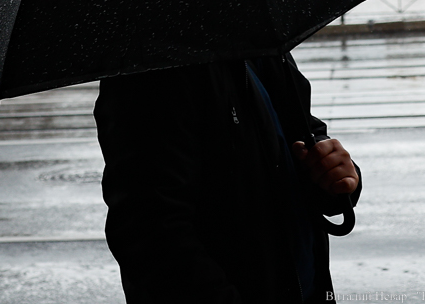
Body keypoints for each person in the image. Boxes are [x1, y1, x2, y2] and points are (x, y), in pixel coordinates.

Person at [94, 53, 361, 303]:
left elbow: (300, 133)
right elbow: (150, 234)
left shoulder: (259, 45)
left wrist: (334, 173)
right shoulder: (150, 66)